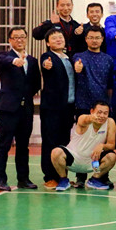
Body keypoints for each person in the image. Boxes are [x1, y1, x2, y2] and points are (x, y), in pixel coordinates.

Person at [0, 27, 40, 191]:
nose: (20, 40)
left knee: (23, 146)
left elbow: (36, 83)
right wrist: (14, 61)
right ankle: (0, 180)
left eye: (22, 37)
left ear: (26, 39)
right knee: (4, 145)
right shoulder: (4, 57)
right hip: (8, 109)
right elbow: (1, 60)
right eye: (16, 37)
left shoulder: (32, 61)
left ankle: (23, 179)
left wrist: (25, 96)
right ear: (10, 40)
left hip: (26, 109)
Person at [50, 101, 116, 191]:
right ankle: (64, 180)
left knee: (112, 156)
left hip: (93, 163)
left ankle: (94, 180)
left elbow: (111, 145)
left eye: (105, 113)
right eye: (99, 112)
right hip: (73, 161)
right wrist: (92, 118)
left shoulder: (110, 122)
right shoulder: (83, 119)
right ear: (92, 111)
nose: (102, 116)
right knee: (56, 152)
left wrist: (102, 146)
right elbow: (84, 120)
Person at [40, 28, 76, 189]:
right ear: (48, 43)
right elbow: (45, 65)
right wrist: (46, 65)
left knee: (64, 142)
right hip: (52, 108)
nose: (58, 39)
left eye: (60, 37)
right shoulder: (47, 57)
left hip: (68, 107)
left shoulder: (69, 58)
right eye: (54, 38)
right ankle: (49, 176)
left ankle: (63, 176)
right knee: (50, 142)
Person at [73, 26, 114, 117]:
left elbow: (110, 84)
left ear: (102, 39)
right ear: (86, 39)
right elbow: (78, 63)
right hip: (83, 105)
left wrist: (109, 103)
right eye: (91, 38)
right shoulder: (79, 56)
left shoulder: (108, 59)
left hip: (102, 105)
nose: (94, 40)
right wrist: (78, 66)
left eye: (97, 38)